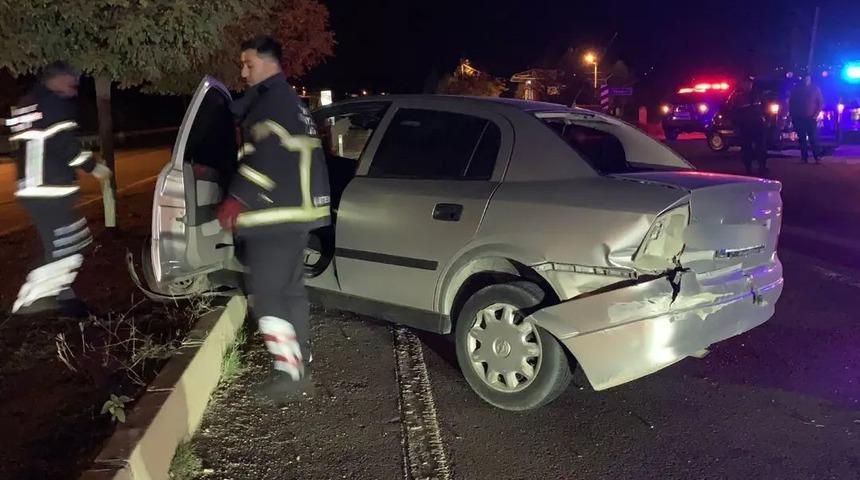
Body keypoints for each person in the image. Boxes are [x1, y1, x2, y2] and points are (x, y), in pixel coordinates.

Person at [216, 35, 331, 402]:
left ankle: (289, 374)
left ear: (268, 63)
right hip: (296, 217)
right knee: (291, 291)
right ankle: (301, 360)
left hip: (273, 217)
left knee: (266, 296)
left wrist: (235, 199)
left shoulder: (270, 105)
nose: (243, 72)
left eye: (248, 64)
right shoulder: (290, 102)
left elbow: (265, 156)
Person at [5, 62, 112, 317]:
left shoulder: (26, 103)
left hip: (30, 187)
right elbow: (65, 144)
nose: (74, 89)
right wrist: (93, 167)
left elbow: (23, 144)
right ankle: (32, 298)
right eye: (71, 82)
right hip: (49, 188)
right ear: (56, 79)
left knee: (58, 244)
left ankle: (65, 299)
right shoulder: (52, 104)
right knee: (72, 241)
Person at [729, 78, 769, 176]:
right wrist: (736, 126)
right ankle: (748, 168)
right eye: (745, 83)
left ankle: (762, 167)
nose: (747, 85)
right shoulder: (737, 98)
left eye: (749, 83)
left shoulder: (758, 95)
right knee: (746, 148)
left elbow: (765, 108)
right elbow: (732, 113)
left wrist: (766, 120)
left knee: (761, 147)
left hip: (758, 126)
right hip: (745, 127)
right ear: (742, 84)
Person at [789, 75, 824, 164]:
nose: (806, 81)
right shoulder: (797, 90)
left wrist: (815, 115)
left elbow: (820, 103)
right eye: (804, 79)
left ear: (810, 79)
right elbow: (791, 103)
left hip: (811, 118)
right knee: (802, 138)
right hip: (799, 118)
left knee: (813, 138)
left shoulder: (815, 89)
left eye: (807, 79)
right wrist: (793, 115)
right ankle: (804, 157)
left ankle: (817, 156)